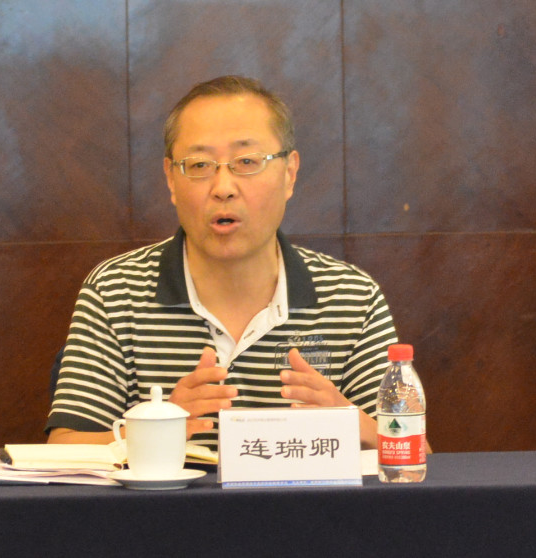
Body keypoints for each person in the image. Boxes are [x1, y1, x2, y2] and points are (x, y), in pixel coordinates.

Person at [46, 75, 398, 451]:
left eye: (247, 162)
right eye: (199, 165)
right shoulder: (116, 291)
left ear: (289, 174)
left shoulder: (352, 297)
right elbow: (63, 449)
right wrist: (158, 429)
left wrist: (349, 419)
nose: (223, 188)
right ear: (170, 179)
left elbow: (413, 455)